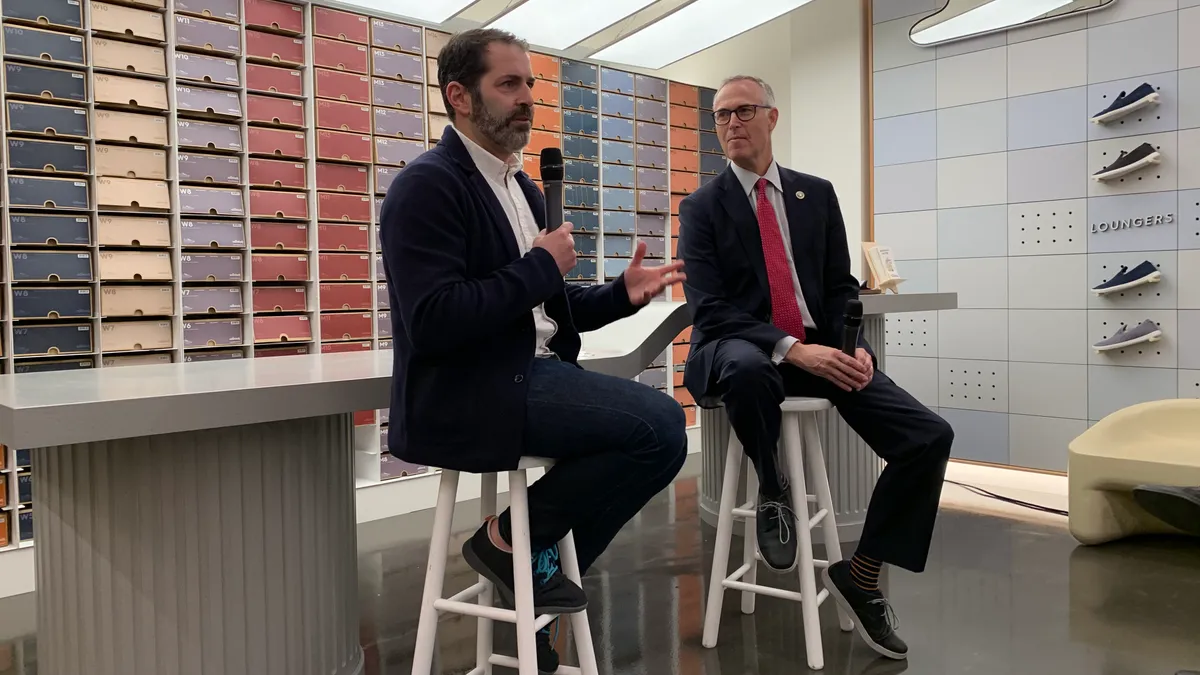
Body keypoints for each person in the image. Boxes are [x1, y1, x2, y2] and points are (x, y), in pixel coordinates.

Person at [379, 28, 688, 673]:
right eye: (509, 84)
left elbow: (548, 306)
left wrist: (620, 294)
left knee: (651, 427)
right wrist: (540, 268)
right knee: (658, 427)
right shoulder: (426, 187)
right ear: (459, 97)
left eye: (530, 84)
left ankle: (527, 564)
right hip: (472, 389)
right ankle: (511, 547)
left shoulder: (518, 187)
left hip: (527, 374)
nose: (527, 99)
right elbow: (433, 320)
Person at [677, 75, 955, 661]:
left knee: (929, 436)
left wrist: (852, 345)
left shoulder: (815, 195)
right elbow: (712, 308)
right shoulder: (702, 207)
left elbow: (838, 287)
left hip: (816, 351)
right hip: (736, 347)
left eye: (743, 111)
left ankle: (862, 572)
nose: (731, 123)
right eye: (721, 115)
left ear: (772, 118)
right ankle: (774, 488)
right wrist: (790, 347)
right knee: (752, 369)